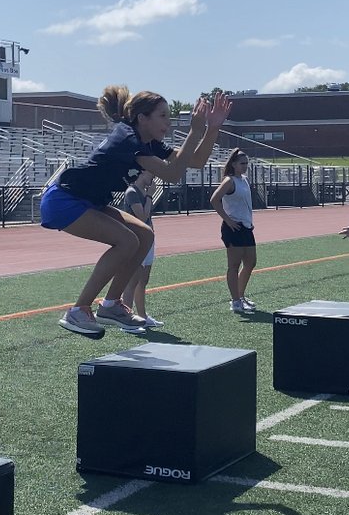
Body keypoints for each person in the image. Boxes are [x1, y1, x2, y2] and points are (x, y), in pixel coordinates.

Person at [40, 86, 231, 338]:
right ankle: (78, 310)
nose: (169, 121)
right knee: (127, 240)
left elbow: (194, 161)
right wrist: (195, 130)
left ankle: (110, 305)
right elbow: (173, 174)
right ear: (143, 118)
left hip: (87, 200)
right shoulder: (129, 139)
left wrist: (212, 128)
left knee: (144, 234)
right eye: (162, 115)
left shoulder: (147, 142)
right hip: (64, 200)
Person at [210, 148, 257, 314]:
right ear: (234, 164)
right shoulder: (229, 181)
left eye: (246, 164)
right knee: (234, 265)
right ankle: (235, 300)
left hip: (246, 227)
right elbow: (214, 200)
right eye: (242, 163)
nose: (245, 166)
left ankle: (241, 295)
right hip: (233, 227)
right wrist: (228, 220)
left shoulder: (244, 180)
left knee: (251, 262)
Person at [120, 169, 163, 329]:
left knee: (143, 280)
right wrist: (150, 196)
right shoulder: (132, 192)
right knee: (132, 282)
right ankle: (126, 319)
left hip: (148, 238)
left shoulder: (142, 192)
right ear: (142, 173)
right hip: (137, 240)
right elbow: (142, 217)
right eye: (151, 173)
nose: (154, 176)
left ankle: (142, 316)